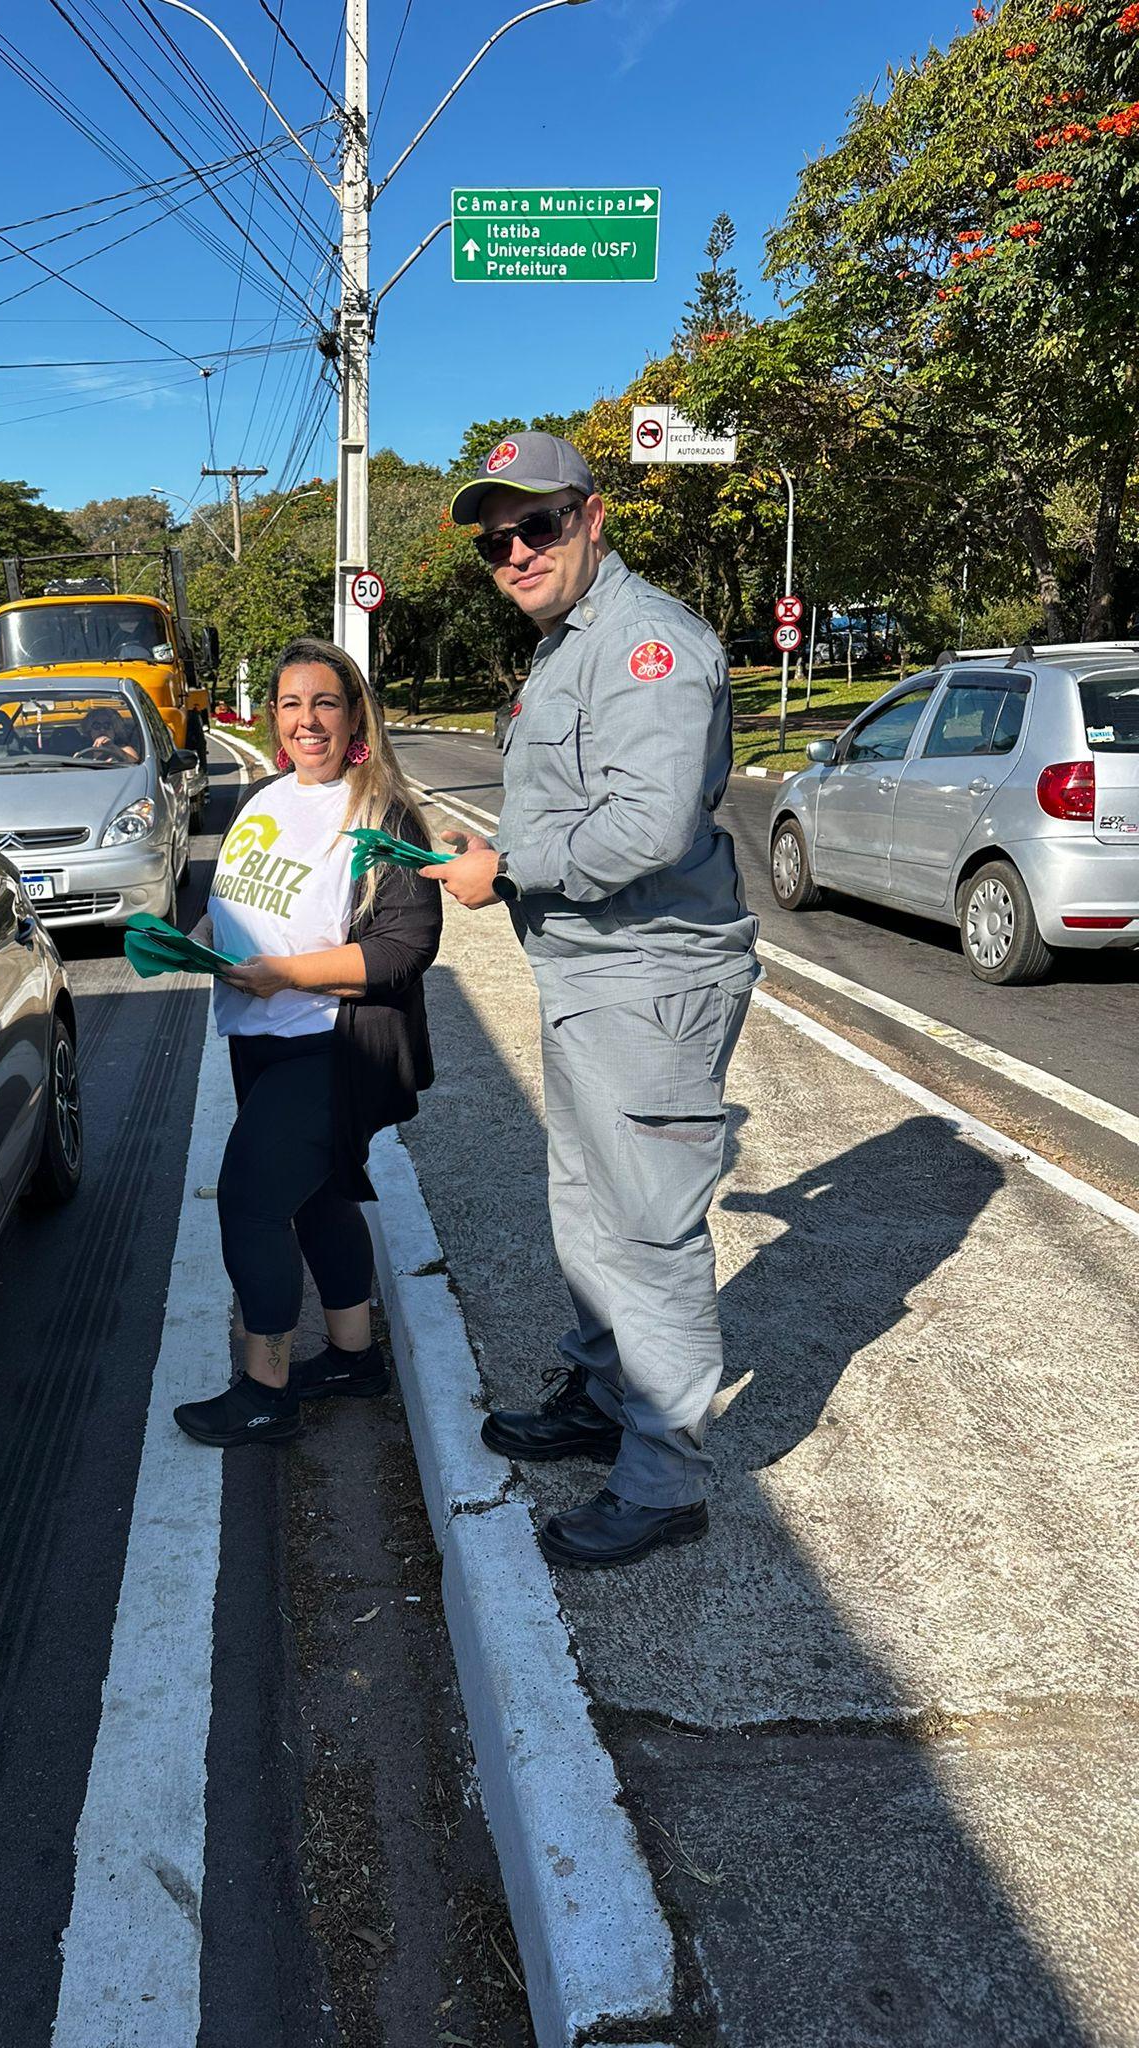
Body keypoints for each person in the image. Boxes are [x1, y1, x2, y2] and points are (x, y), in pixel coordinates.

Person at [427, 431, 759, 1570]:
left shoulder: (650, 642)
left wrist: (507, 863)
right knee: (587, 1209)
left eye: (538, 524)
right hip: (589, 975)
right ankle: (608, 1393)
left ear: (592, 517)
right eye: (495, 539)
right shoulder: (569, 645)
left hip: (653, 978)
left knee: (650, 1232)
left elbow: (650, 826)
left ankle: (667, 1477)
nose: (515, 550)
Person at [173, 637, 442, 1449]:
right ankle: (356, 1360)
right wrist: (192, 937)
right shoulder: (263, 797)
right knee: (318, 1195)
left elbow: (405, 947)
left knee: (252, 1207)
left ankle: (266, 1389)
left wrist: (286, 973)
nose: (307, 720)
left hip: (329, 1046)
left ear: (356, 713)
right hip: (258, 1037)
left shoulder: (379, 813)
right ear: (274, 719)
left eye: (325, 702)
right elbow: (241, 898)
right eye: (291, 704)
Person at [74, 703, 140, 762]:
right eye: (96, 726)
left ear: (115, 729)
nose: (102, 730)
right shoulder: (84, 754)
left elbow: (136, 766)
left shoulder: (126, 750)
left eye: (107, 725)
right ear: (89, 731)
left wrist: (116, 750)